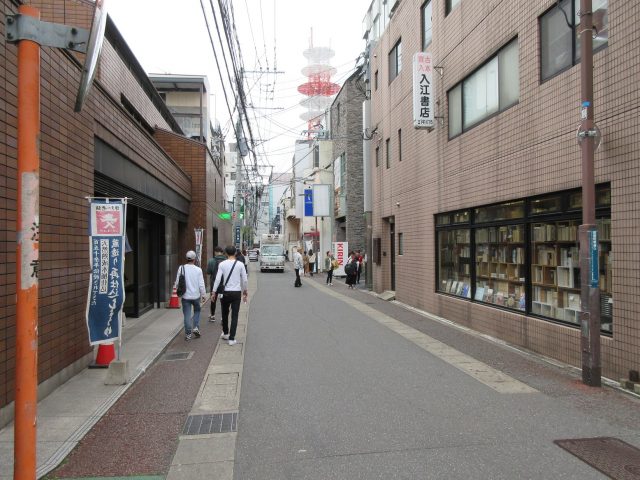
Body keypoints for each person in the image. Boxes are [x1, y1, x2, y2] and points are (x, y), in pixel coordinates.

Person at [212, 245, 248, 346]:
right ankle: (232, 339)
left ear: (226, 253)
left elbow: (218, 279)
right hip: (236, 292)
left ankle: (225, 333)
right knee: (235, 315)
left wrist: (213, 291)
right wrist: (245, 291)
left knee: (224, 313)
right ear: (235, 253)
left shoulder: (222, 264)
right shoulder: (240, 264)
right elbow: (245, 279)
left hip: (225, 292)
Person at [175, 250, 207, 341]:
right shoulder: (198, 270)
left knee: (187, 315)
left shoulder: (181, 268)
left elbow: (177, 282)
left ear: (187, 258)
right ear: (194, 259)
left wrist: (178, 291)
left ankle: (188, 334)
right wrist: (204, 294)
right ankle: (196, 327)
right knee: (197, 311)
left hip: (185, 296)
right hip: (196, 296)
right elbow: (201, 284)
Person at [206, 246, 226, 322]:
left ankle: (213, 316)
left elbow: (208, 272)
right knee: (223, 301)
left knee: (213, 299)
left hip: (214, 283)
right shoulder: (226, 261)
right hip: (223, 284)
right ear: (222, 252)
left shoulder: (211, 261)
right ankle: (223, 318)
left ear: (215, 252)